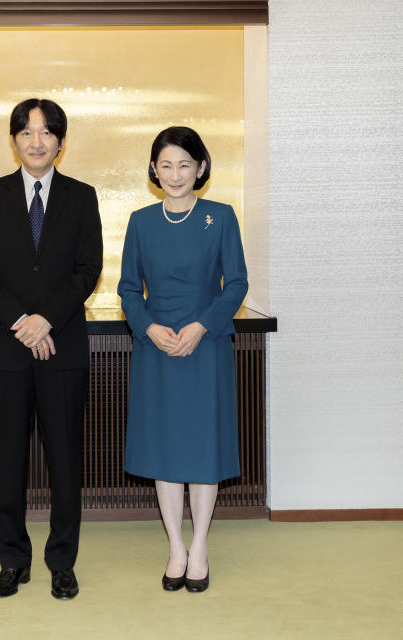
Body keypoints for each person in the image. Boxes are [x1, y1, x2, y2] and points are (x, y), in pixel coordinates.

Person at [0, 99, 103, 600]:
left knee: (66, 461)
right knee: (9, 461)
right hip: (6, 348)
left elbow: (87, 270)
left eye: (46, 132)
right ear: (14, 140)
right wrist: (23, 321)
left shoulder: (82, 197)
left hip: (62, 346)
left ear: (61, 142)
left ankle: (62, 561)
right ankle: (12, 561)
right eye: (26, 131)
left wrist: (47, 319)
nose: (36, 140)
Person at [118, 126, 248, 593]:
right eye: (166, 165)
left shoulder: (221, 217)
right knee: (166, 452)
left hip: (205, 345)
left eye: (185, 165)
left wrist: (200, 327)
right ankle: (175, 545)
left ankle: (201, 545)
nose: (176, 174)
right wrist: (149, 327)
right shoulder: (140, 221)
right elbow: (128, 289)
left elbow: (236, 284)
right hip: (157, 348)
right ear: (154, 170)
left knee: (202, 451)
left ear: (202, 168)